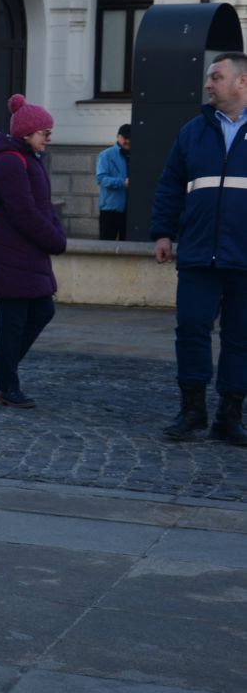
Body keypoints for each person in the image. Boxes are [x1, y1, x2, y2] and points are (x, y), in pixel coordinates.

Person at [152, 51, 247, 445]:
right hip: (197, 254)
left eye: (216, 77)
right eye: (209, 77)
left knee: (241, 338)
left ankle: (230, 416)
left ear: (242, 81)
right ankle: (192, 412)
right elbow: (170, 184)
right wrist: (162, 232)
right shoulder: (193, 131)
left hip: (244, 258)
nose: (208, 84)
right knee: (191, 330)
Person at [0, 96, 67, 409]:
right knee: (13, 322)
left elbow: (41, 205)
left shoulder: (28, 158)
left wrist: (55, 232)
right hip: (9, 254)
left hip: (25, 254)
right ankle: (6, 386)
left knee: (42, 311)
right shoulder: (10, 162)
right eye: (45, 133)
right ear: (27, 133)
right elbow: (23, 212)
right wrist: (54, 239)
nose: (49, 138)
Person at [95, 124, 131, 241]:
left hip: (130, 211)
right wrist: (122, 182)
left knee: (128, 246)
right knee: (106, 243)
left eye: (130, 138)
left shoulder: (137, 155)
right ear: (118, 136)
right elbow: (101, 179)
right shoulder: (106, 154)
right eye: (125, 137)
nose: (127, 141)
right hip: (110, 209)